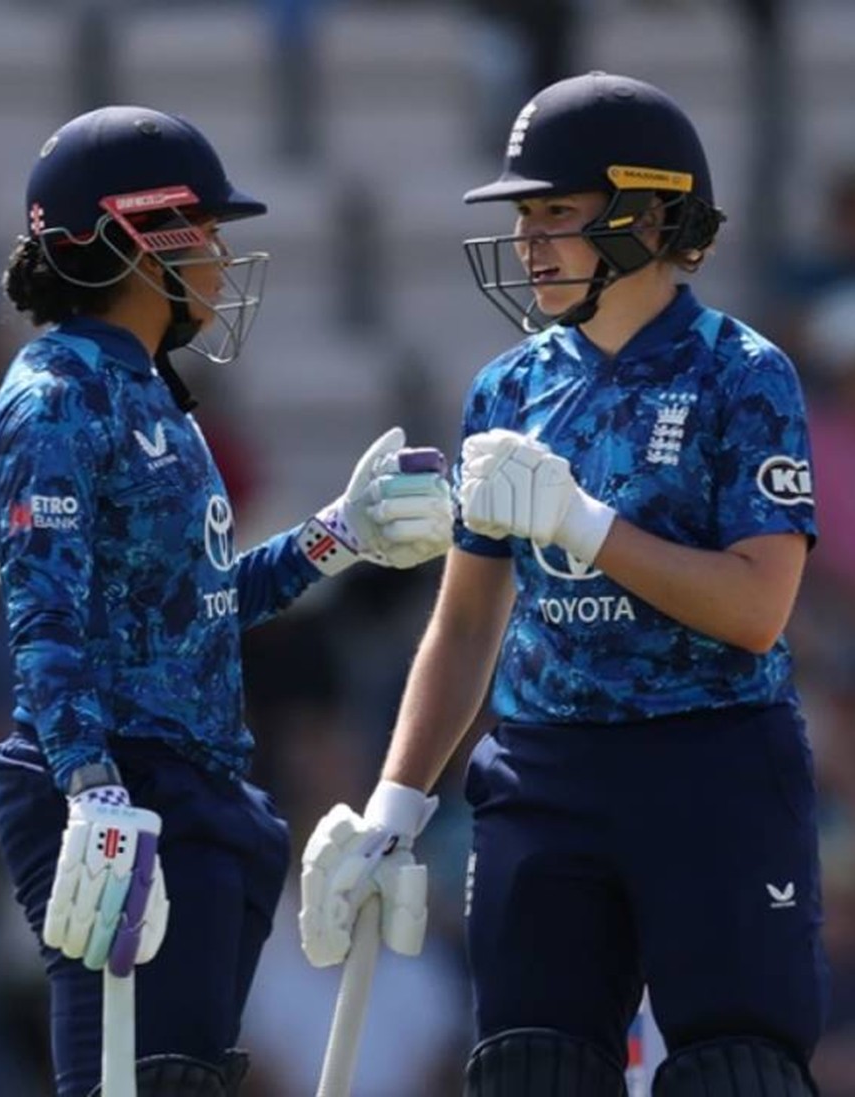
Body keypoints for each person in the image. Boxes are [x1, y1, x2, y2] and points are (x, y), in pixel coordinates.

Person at [299, 73, 825, 1096]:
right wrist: (395, 803)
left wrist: (587, 525)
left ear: (644, 212)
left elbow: (758, 609)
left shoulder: (742, 373)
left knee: (739, 1075)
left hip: (710, 761)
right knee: (530, 1071)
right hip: (546, 771)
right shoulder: (510, 387)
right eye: (525, 214)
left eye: (557, 212)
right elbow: (463, 623)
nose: (531, 239)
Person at [0, 105, 456, 1097]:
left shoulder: (150, 392)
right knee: (135, 1080)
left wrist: (339, 535)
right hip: (126, 785)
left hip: (188, 781)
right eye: (202, 232)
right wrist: (90, 787)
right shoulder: (59, 391)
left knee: (183, 1075)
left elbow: (187, 611)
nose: (219, 259)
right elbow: (46, 614)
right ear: (131, 236)